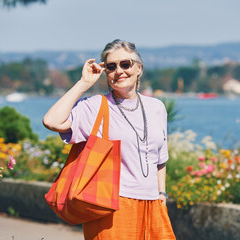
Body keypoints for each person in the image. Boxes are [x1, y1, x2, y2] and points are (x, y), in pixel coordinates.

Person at [43, 39, 176, 240]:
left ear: (139, 68)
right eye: (111, 66)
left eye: (125, 64)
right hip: (111, 206)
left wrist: (162, 194)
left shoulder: (156, 107)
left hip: (153, 206)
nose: (119, 71)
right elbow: (52, 121)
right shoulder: (96, 106)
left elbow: (160, 159)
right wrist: (84, 84)